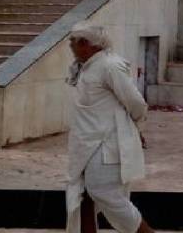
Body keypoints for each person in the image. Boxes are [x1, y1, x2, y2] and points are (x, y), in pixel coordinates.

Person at [65, 24, 155, 233]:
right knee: (83, 196)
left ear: (86, 44)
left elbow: (136, 103)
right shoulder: (84, 66)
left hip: (106, 144)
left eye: (73, 42)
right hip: (85, 143)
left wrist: (136, 129)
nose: (70, 46)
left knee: (103, 192)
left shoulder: (110, 66)